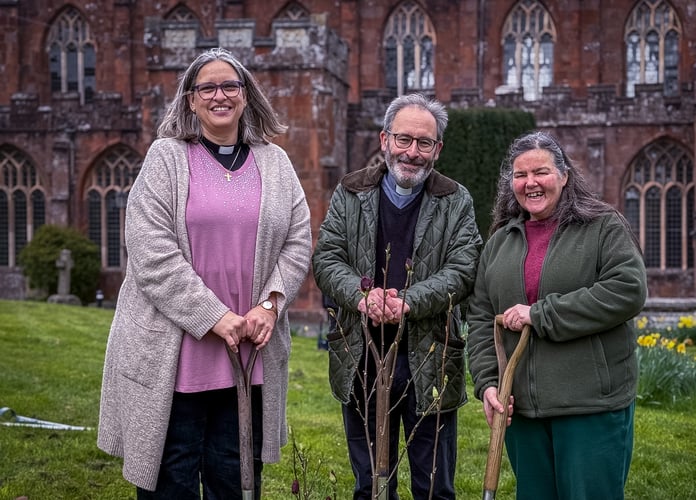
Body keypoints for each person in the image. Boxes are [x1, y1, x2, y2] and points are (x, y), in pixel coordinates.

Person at [97, 47, 312, 499]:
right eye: (207, 87)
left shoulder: (275, 163)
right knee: (170, 481)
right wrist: (215, 316)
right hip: (175, 357)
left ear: (246, 95)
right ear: (191, 100)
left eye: (230, 86)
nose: (220, 95)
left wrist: (270, 306)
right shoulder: (166, 158)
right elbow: (150, 253)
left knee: (233, 481)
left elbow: (297, 241)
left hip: (248, 353)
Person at [312, 93, 482, 500]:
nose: (413, 152)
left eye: (424, 143)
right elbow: (327, 258)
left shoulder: (455, 201)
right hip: (361, 357)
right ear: (384, 139)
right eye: (404, 139)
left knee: (434, 488)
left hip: (430, 358)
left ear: (437, 149)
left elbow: (463, 270)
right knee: (371, 485)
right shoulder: (350, 192)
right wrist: (363, 297)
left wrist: (407, 300)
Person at [466, 131, 647, 500]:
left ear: (564, 176)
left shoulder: (602, 227)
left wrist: (540, 314)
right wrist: (488, 383)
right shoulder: (500, 241)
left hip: (589, 405)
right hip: (523, 412)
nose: (530, 182)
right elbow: (484, 318)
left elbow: (627, 290)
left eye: (541, 172)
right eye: (520, 175)